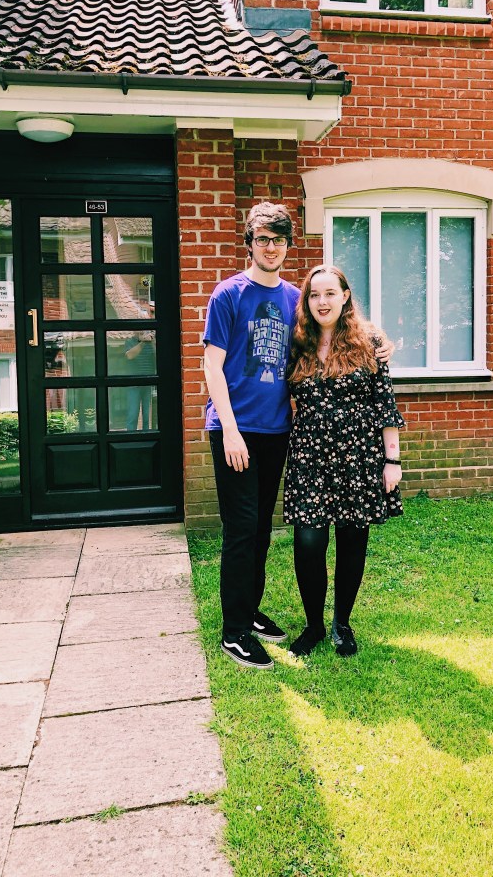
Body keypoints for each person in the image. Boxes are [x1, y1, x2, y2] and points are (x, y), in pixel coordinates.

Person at [283, 265, 404, 658]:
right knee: (308, 543)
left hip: (358, 460)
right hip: (310, 459)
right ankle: (314, 625)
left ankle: (342, 624)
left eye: (330, 293)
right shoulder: (297, 340)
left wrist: (393, 461)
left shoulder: (369, 342)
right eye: (314, 295)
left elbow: (385, 403)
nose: (322, 301)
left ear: (345, 296)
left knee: (353, 543)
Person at [203, 202, 298, 669]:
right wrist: (232, 433)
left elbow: (333, 335)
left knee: (261, 529)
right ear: (250, 242)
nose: (271, 247)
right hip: (234, 431)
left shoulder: (296, 299)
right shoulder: (228, 295)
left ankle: (250, 609)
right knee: (241, 531)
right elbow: (212, 367)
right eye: (263, 238)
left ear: (287, 245)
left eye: (279, 239)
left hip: (276, 430)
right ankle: (234, 632)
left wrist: (380, 341)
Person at [125, 303, 155, 431]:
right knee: (133, 414)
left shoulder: (150, 342)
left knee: (147, 417)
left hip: (148, 383)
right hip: (134, 384)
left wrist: (152, 341)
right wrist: (143, 342)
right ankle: (130, 439)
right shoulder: (130, 341)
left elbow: (157, 356)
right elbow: (129, 356)